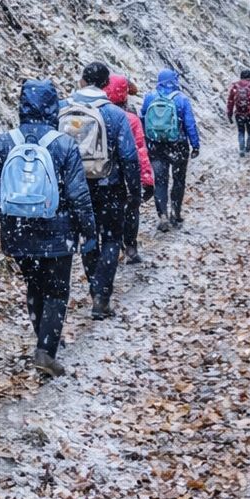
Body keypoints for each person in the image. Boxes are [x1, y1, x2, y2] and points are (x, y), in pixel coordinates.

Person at [0, 80, 96, 378]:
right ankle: (46, 351)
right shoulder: (63, 143)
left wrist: (2, 218)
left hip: (17, 230)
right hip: (56, 230)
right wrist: (88, 228)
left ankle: (43, 338)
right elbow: (77, 193)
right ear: (53, 107)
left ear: (22, 105)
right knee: (57, 291)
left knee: (35, 285)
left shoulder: (3, 142)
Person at [62, 62, 141, 319]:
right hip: (110, 184)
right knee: (111, 238)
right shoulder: (115, 115)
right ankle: (102, 295)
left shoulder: (64, 110)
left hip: (76, 186)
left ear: (82, 81)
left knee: (88, 237)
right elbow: (129, 156)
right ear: (107, 85)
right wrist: (135, 189)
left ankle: (94, 285)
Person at [141, 68, 201, 231]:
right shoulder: (181, 99)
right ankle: (176, 213)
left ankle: (162, 215)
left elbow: (143, 119)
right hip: (178, 145)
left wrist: (146, 142)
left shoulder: (150, 97)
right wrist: (195, 144)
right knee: (178, 180)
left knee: (160, 181)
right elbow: (189, 124)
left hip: (156, 145)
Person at [104, 73, 155, 264]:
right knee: (132, 208)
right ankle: (130, 247)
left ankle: (111, 246)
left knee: (109, 211)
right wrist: (147, 179)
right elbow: (140, 150)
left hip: (102, 174)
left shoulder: (98, 115)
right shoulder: (131, 118)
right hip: (126, 173)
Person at [225, 69, 250, 156]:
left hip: (239, 114)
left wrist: (229, 113)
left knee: (241, 131)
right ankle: (248, 148)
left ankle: (241, 149)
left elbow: (230, 101)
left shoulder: (235, 86)